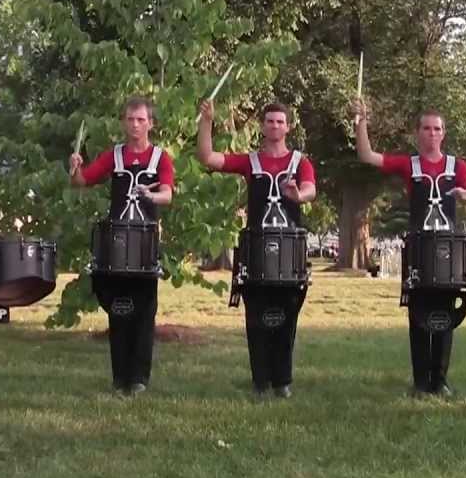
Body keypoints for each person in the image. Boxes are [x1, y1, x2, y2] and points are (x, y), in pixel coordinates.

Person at [353, 98, 466, 396]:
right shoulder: (409, 164)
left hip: (449, 249)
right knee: (419, 314)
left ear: (443, 133)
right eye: (426, 128)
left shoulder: (457, 167)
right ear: (418, 133)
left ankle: (441, 380)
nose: (432, 133)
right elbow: (367, 155)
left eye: (437, 128)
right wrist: (361, 122)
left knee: (446, 313)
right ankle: (421, 381)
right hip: (420, 248)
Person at [197, 99, 316, 398]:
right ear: (263, 126)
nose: (275, 126)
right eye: (270, 121)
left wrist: (299, 195)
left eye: (280, 121)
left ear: (288, 126)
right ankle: (260, 381)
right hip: (257, 249)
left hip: (289, 252)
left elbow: (311, 189)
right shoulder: (251, 161)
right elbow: (208, 157)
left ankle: (283, 381)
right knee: (257, 316)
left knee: (287, 314)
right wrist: (206, 122)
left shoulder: (300, 162)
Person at [69, 96, 175, 396]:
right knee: (119, 309)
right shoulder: (114, 156)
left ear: (150, 124)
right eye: (130, 119)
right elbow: (82, 181)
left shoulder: (160, 158)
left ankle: (139, 378)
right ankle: (120, 377)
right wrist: (75, 167)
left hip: (144, 243)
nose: (135, 124)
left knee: (144, 310)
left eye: (141, 119)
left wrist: (151, 196)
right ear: (124, 122)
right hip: (116, 243)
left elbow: (167, 193)